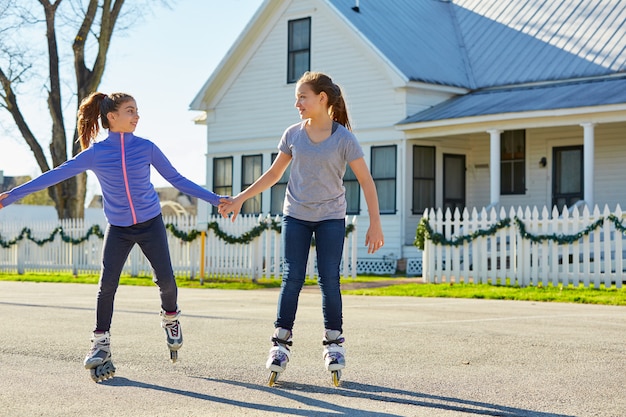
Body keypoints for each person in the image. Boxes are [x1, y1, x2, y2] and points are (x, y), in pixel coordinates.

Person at [0, 92, 225, 381]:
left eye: (137, 111)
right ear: (112, 116)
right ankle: (100, 342)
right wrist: (11, 196)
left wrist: (216, 199)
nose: (136, 116)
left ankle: (171, 318)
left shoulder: (147, 148)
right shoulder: (96, 153)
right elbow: (55, 175)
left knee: (166, 280)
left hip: (150, 223)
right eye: (130, 111)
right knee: (106, 285)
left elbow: (177, 179)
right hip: (118, 227)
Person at [218, 71, 384, 385]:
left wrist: (375, 223)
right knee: (292, 276)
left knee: (328, 278)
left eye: (302, 97)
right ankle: (280, 344)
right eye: (297, 98)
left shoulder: (344, 138)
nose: (297, 103)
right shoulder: (293, 134)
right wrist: (240, 198)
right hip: (295, 214)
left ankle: (334, 344)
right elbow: (273, 174)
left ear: (322, 99)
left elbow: (366, 181)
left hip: (331, 218)